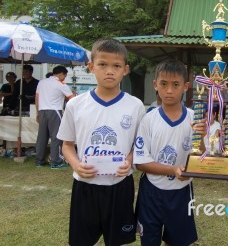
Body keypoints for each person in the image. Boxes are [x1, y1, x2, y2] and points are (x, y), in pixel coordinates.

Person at [57, 38, 145, 246]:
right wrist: (77, 165)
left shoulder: (135, 106)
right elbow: (67, 145)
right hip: (85, 186)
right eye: (102, 65)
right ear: (91, 67)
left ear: (125, 69)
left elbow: (139, 145)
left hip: (119, 185)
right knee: (81, 241)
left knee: (117, 241)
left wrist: (130, 161)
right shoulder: (76, 105)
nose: (109, 71)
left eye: (116, 66)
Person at [133, 59, 206, 246]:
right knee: (149, 241)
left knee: (178, 241)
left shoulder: (195, 119)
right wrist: (173, 170)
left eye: (176, 85)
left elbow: (202, 158)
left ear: (186, 86)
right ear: (155, 84)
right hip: (151, 192)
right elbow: (140, 163)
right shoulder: (148, 120)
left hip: (181, 192)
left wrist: (204, 138)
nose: (169, 90)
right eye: (163, 84)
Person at [35, 65, 74, 168]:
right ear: (61, 74)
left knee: (42, 137)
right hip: (54, 111)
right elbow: (72, 99)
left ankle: (39, 160)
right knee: (56, 137)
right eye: (64, 76)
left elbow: (37, 98)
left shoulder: (42, 82)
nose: (64, 78)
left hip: (42, 110)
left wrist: (37, 113)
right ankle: (56, 161)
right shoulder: (61, 84)